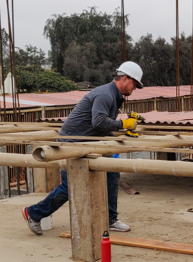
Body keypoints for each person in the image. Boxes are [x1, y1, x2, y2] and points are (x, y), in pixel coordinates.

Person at [22, 61, 144, 235]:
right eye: (135, 84)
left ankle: (110, 218)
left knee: (112, 173)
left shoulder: (115, 96)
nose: (135, 89)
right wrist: (123, 124)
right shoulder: (105, 95)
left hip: (90, 141)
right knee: (71, 185)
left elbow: (100, 126)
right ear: (125, 79)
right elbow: (99, 121)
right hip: (72, 143)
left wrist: (119, 136)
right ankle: (33, 213)